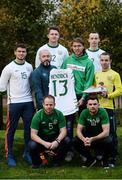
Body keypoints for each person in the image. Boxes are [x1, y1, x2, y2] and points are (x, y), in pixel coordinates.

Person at [0, 43, 35, 167]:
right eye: (19, 51)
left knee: (29, 130)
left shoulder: (29, 66)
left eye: (23, 52)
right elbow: (2, 87)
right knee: (11, 130)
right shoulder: (9, 68)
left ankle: (27, 153)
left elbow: (31, 84)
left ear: (26, 53)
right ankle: (9, 155)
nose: (21, 54)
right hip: (14, 103)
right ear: (15, 52)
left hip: (28, 103)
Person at [95, 52, 122, 167]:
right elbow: (93, 88)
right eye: (102, 60)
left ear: (110, 61)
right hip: (97, 108)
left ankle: (112, 158)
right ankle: (100, 156)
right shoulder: (96, 74)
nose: (104, 62)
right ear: (99, 61)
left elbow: (120, 90)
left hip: (109, 108)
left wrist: (108, 95)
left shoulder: (115, 74)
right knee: (99, 133)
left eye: (106, 60)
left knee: (111, 134)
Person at [29, 95, 70, 168]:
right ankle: (37, 163)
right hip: (42, 138)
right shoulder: (38, 115)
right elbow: (33, 135)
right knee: (32, 145)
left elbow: (63, 131)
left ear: (54, 105)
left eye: (51, 105)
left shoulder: (59, 114)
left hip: (54, 137)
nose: (49, 106)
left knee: (67, 140)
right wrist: (44, 143)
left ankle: (56, 161)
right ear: (43, 105)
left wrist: (57, 141)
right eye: (47, 105)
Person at [73, 96, 113, 168]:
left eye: (95, 104)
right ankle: (90, 159)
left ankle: (105, 160)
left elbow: (106, 132)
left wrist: (92, 139)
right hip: (88, 137)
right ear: (87, 106)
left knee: (109, 140)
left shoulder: (103, 112)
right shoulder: (84, 112)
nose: (92, 106)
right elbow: (78, 130)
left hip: (100, 137)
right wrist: (83, 139)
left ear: (98, 105)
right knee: (75, 141)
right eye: (90, 104)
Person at [49, 68, 79, 162]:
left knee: (68, 130)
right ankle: (58, 151)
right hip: (61, 104)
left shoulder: (65, 71)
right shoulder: (53, 72)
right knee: (59, 130)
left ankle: (68, 151)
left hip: (66, 105)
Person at [61, 37, 95, 111]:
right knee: (69, 121)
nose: (77, 48)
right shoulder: (67, 60)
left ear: (83, 47)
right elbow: (61, 76)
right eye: (75, 46)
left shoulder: (89, 63)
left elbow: (88, 82)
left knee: (82, 120)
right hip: (68, 95)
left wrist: (83, 98)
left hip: (82, 95)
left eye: (79, 46)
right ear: (72, 47)